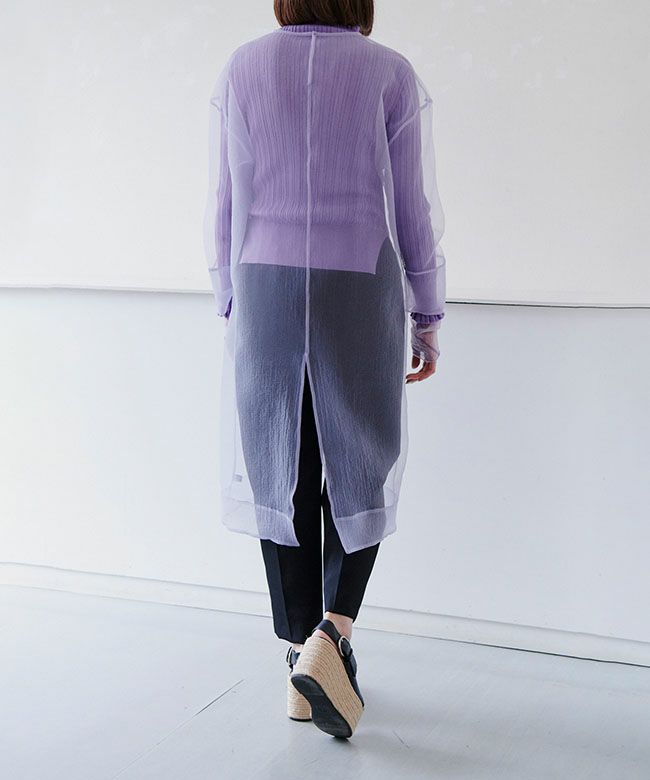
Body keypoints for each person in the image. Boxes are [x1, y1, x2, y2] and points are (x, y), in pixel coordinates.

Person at [202, 0, 446, 738]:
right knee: (359, 460)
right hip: (357, 282)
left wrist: (229, 298)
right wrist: (427, 314)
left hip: (264, 281)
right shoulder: (389, 73)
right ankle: (331, 638)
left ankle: (298, 660)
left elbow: (224, 197)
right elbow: (412, 208)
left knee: (281, 463)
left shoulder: (244, 66)